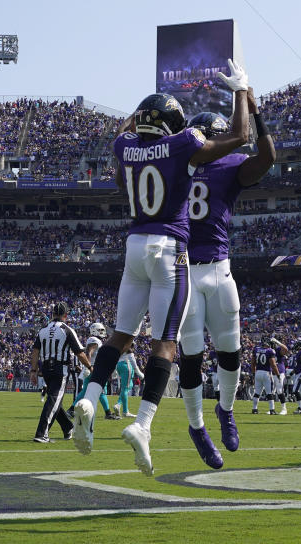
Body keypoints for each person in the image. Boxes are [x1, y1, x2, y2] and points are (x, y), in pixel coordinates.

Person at [72, 60, 251, 476]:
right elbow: (241, 136)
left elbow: (124, 132)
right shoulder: (183, 143)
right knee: (165, 342)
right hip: (170, 247)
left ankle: (90, 396)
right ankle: (143, 424)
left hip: (133, 245)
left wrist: (141, 112)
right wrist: (241, 90)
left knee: (121, 334)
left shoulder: (124, 148)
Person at [177, 89, 276, 465]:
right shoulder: (177, 163)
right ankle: (196, 426)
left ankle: (226, 409)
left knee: (230, 351)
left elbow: (267, 157)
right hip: (183, 269)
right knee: (191, 355)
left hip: (218, 268)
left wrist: (256, 109)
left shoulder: (230, 163)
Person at [30, 302, 92, 443]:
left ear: (53, 314)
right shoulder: (67, 330)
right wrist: (90, 367)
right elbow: (79, 353)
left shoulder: (43, 329)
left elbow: (35, 352)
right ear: (65, 315)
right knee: (54, 399)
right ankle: (42, 433)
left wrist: (33, 370)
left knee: (54, 399)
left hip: (45, 368)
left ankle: (68, 427)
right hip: (60, 369)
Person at [69, 322, 116, 421]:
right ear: (94, 330)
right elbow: (89, 352)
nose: (102, 332)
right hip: (94, 368)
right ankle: (108, 413)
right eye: (100, 330)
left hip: (92, 367)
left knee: (85, 390)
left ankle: (71, 409)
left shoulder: (94, 340)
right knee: (101, 390)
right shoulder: (95, 340)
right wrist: (88, 366)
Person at [251, 336, 280, 416]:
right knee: (269, 392)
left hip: (258, 372)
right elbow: (273, 365)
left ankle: (254, 409)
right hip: (266, 373)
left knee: (257, 392)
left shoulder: (256, 349)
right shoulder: (270, 351)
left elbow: (252, 363)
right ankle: (272, 409)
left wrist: (253, 373)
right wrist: (277, 374)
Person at [114, 347, 142, 418]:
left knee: (129, 386)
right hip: (126, 364)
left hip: (119, 365)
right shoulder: (129, 351)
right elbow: (133, 361)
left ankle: (119, 404)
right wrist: (139, 373)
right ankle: (125, 411)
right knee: (125, 389)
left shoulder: (120, 348)